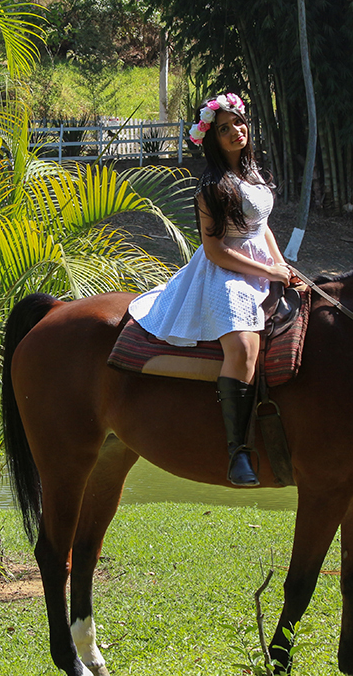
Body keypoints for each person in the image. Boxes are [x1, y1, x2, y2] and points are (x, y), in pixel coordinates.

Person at [127, 93, 291, 487]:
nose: (236, 131)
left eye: (238, 123)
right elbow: (217, 250)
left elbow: (262, 225)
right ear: (212, 138)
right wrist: (265, 269)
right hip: (226, 273)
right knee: (243, 347)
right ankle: (238, 453)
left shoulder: (253, 175)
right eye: (224, 128)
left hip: (260, 263)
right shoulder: (210, 188)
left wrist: (281, 265)